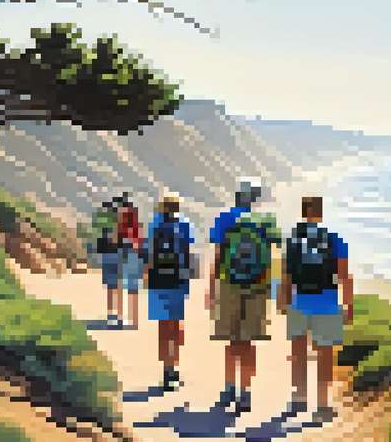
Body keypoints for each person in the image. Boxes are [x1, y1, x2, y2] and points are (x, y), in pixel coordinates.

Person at [207, 177, 282, 413]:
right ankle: (246, 392)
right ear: (255, 199)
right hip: (258, 285)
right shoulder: (266, 220)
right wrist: (276, 287)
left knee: (232, 339)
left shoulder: (224, 217)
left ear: (237, 196)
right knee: (249, 341)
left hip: (229, 283)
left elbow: (218, 254)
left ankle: (229, 388)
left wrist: (212, 287)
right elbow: (277, 254)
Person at [280, 196, 353, 423]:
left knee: (299, 353)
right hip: (327, 303)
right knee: (324, 355)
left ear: (304, 213)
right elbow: (344, 275)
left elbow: (286, 274)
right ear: (320, 213)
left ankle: (299, 399)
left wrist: (284, 301)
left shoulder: (293, 240)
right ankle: (322, 404)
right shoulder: (334, 238)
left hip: (299, 302)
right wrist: (348, 304)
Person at [146, 194, 196, 391]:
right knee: (176, 326)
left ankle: (166, 371)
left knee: (163, 327)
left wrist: (148, 278)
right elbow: (190, 254)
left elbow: (148, 256)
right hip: (178, 281)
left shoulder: (154, 225)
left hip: (158, 281)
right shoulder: (185, 225)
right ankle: (174, 367)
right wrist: (191, 275)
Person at [91, 194, 127, 327]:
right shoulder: (118, 220)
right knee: (118, 286)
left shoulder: (105, 220)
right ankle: (119, 316)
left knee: (111, 288)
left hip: (108, 254)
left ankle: (112, 316)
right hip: (116, 255)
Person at [116, 193, 145, 330]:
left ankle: (121, 317)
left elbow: (120, 236)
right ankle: (134, 320)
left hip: (126, 251)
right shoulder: (136, 222)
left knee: (121, 286)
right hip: (134, 253)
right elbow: (140, 242)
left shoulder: (123, 219)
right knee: (132, 289)